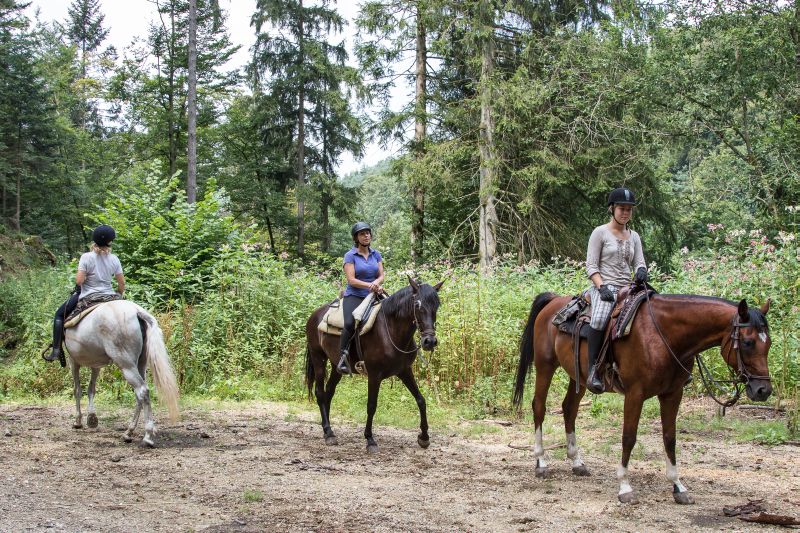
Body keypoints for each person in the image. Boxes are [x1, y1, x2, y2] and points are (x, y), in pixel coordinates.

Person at [584, 188, 648, 393]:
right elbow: (591, 266)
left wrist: (641, 271)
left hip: (627, 288)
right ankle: (594, 369)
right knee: (601, 318)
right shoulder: (600, 232)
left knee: (652, 312)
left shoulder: (634, 236)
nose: (625, 212)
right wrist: (601, 286)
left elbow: (640, 262)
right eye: (622, 208)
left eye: (629, 209)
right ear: (612, 209)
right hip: (604, 287)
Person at [43, 225, 125, 362]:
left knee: (58, 315)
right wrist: (119, 294)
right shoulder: (114, 259)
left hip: (88, 296)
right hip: (110, 296)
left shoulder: (86, 257)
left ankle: (56, 350)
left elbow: (79, 280)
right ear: (110, 242)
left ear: (94, 240)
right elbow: (121, 284)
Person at [336, 221, 384, 375]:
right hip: (355, 295)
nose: (366, 236)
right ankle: (342, 358)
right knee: (350, 323)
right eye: (362, 234)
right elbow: (351, 280)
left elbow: (381, 274)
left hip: (374, 294)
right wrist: (370, 286)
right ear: (356, 237)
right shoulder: (350, 255)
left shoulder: (376, 254)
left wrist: (376, 283)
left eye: (368, 233)